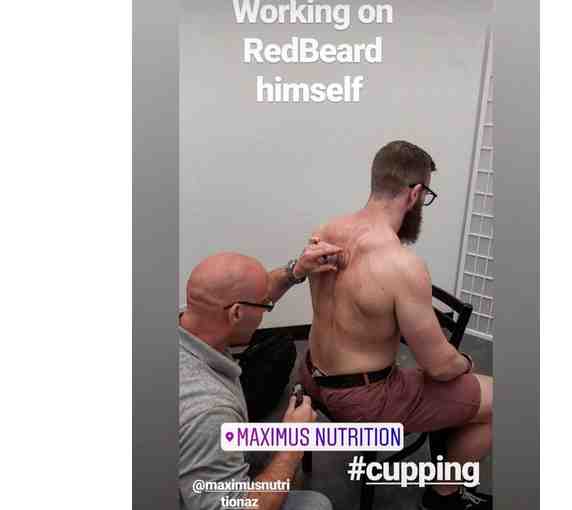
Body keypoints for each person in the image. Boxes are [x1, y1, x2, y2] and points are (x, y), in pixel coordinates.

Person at [299, 141, 494, 510]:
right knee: (497, 399)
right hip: (363, 402)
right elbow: (439, 367)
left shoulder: (325, 231)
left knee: (453, 389)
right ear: (415, 193)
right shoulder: (402, 264)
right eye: (425, 197)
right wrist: (466, 363)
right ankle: (443, 496)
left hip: (311, 374)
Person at [179, 240, 341, 510]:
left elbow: (251, 297)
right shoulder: (209, 412)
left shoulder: (190, 318)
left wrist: (295, 271)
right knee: (316, 504)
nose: (267, 308)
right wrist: (293, 443)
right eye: (265, 306)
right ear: (236, 313)